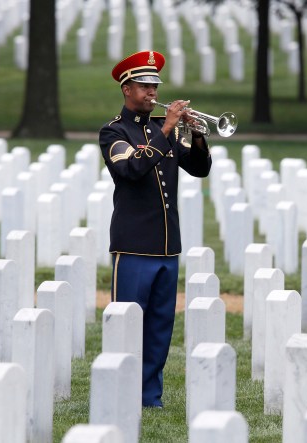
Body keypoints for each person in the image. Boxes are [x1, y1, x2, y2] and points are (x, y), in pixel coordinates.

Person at [98, 50, 212, 408]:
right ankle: (120, 392)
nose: (152, 91)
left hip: (167, 248)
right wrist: (165, 129)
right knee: (127, 327)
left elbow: (198, 168)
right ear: (126, 88)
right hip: (133, 248)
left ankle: (150, 397)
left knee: (160, 329)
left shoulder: (163, 129)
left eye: (155, 85)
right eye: (145, 85)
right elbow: (131, 170)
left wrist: (194, 135)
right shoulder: (114, 131)